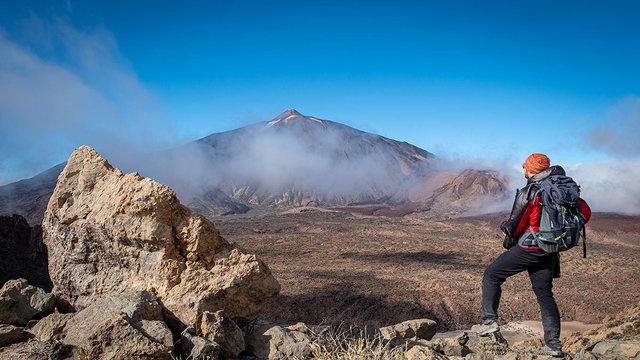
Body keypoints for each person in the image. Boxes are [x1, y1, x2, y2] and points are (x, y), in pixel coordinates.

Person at [477, 153, 591, 358]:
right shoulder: (563, 188)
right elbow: (585, 212)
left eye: (524, 167)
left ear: (529, 169)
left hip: (531, 248)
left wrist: (505, 226)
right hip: (551, 250)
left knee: (492, 275)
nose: (523, 170)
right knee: (545, 294)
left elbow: (514, 225)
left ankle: (489, 322)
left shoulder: (532, 190)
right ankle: (553, 345)